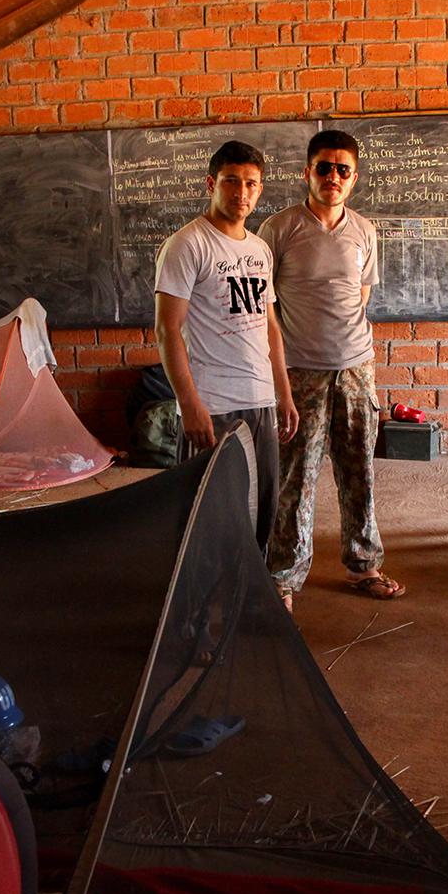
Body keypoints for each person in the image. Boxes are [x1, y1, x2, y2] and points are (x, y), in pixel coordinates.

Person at [259, 130, 401, 611]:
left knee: (358, 469)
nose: (333, 177)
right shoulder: (278, 230)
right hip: (302, 372)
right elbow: (266, 309)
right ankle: (284, 577)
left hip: (356, 370)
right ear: (308, 173)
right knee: (295, 477)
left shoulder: (364, 230)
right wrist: (281, 374)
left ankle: (365, 564)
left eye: (343, 170)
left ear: (354, 178)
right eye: (324, 167)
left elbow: (360, 296)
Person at [154, 140, 298, 546]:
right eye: (231, 182)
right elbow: (167, 331)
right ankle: (201, 606)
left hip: (260, 400)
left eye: (251, 184)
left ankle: (245, 599)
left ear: (260, 188)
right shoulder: (187, 245)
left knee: (261, 511)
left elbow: (270, 326)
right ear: (211, 184)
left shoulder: (259, 249)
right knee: (208, 516)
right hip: (212, 403)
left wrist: (282, 394)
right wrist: (189, 404)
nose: (241, 193)